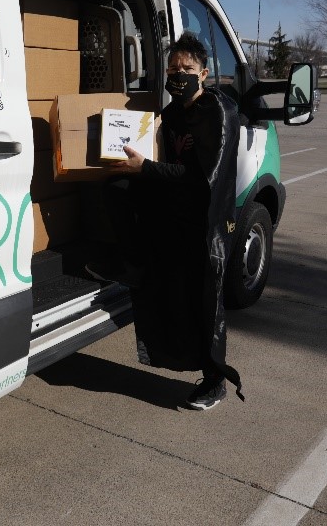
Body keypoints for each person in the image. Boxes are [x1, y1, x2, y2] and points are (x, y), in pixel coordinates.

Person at [116, 32, 243, 410]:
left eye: (187, 69)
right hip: (173, 223)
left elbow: (203, 179)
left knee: (206, 304)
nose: (179, 75)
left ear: (204, 74)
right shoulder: (170, 115)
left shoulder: (219, 113)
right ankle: (188, 363)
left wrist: (148, 169)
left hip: (206, 229)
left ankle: (215, 379)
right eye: (173, 68)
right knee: (176, 299)